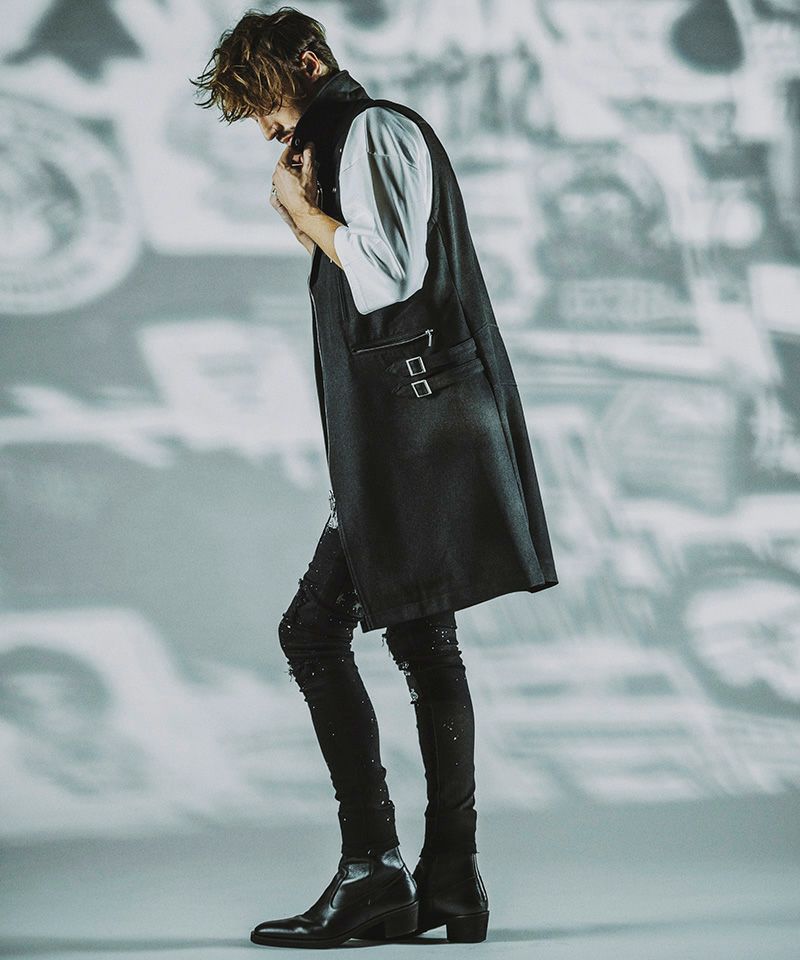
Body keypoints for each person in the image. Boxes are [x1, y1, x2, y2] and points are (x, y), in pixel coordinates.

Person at [192, 4, 557, 948]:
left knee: (313, 633)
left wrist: (303, 213)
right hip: (410, 432)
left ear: (310, 62)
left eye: (267, 102)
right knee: (423, 636)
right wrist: (313, 216)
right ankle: (449, 882)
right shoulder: (346, 140)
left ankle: (375, 873)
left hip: (417, 436)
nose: (267, 129)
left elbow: (389, 275)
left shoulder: (373, 130)